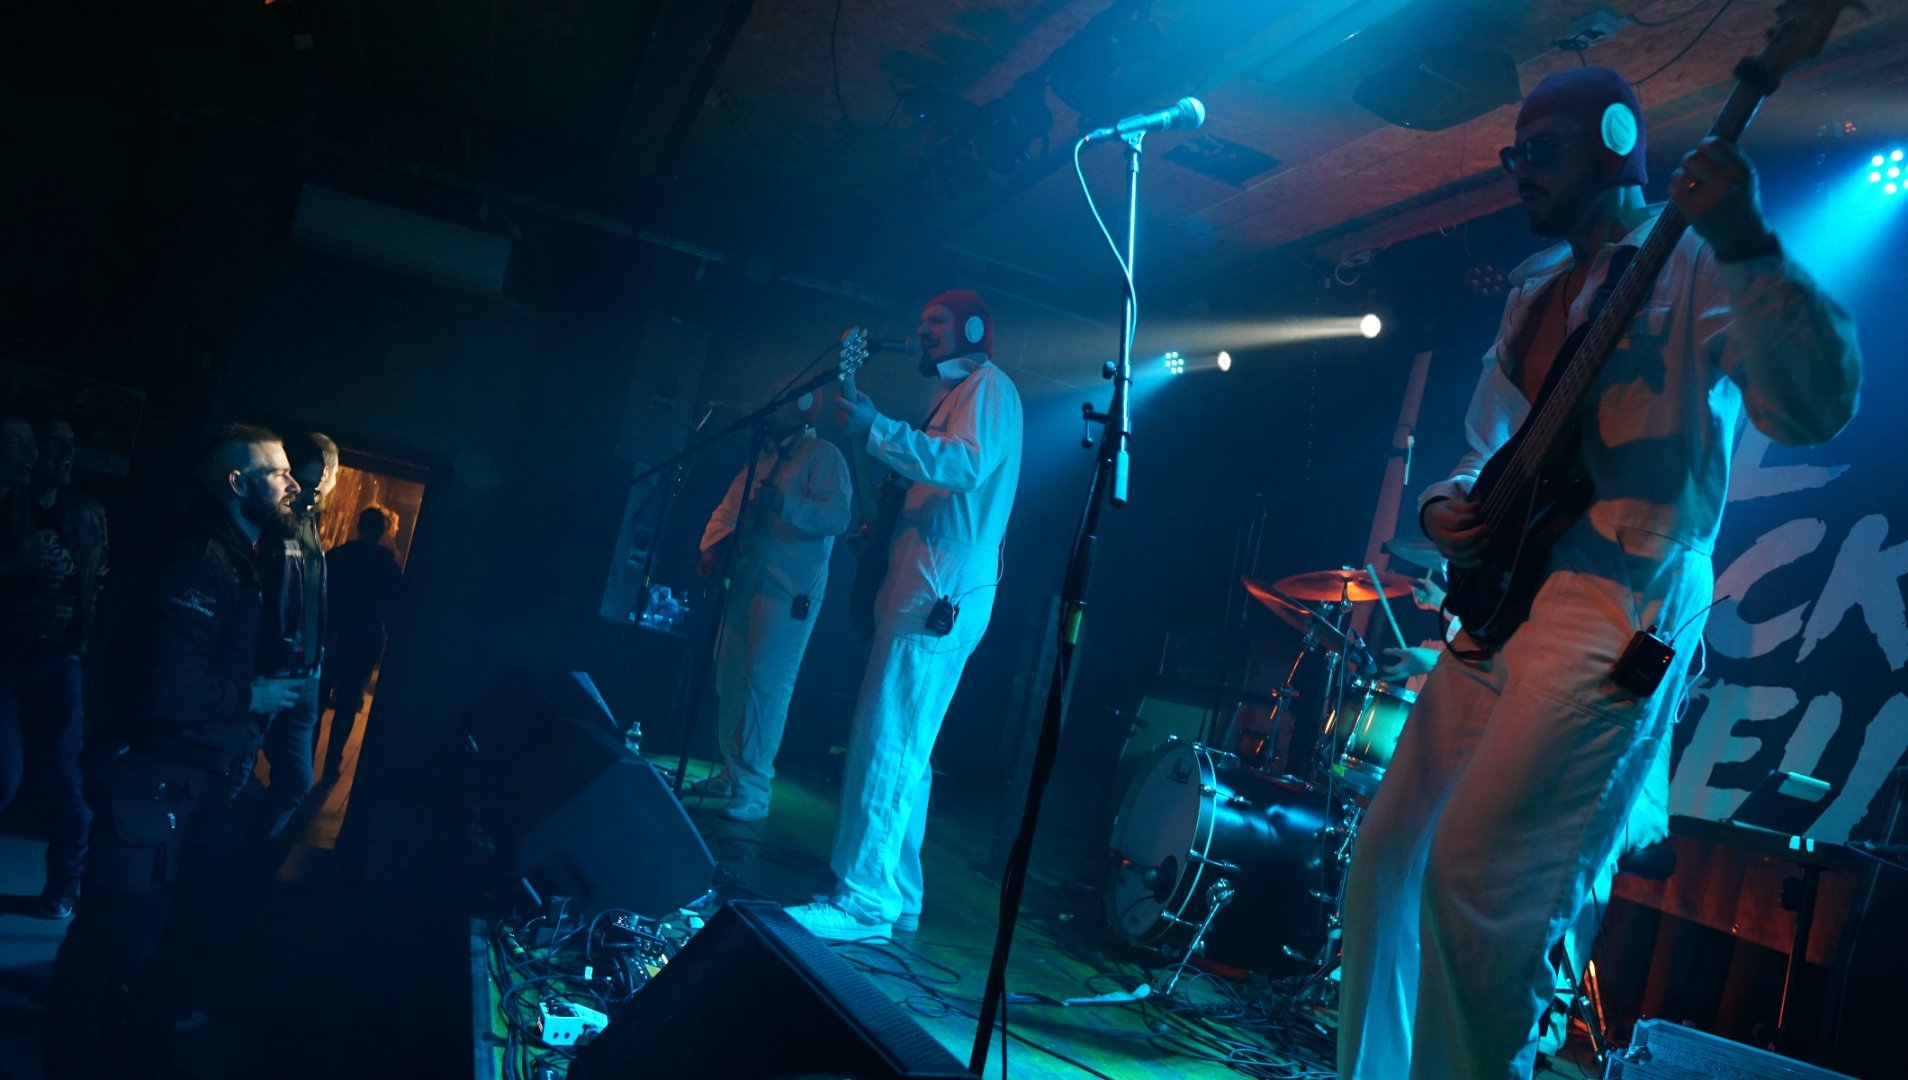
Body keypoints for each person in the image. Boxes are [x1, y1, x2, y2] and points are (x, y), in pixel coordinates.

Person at [1336, 67, 1861, 1080]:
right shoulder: (1534, 290)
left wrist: (1748, 242)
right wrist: (1445, 507)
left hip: (1623, 595)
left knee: (1483, 884)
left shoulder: (1699, 257)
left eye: (1545, 151)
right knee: (1387, 864)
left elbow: (1813, 407)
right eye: (1514, 154)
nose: (1521, 171)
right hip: (1506, 599)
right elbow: (1486, 449)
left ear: (1618, 143)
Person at [44, 424, 306, 1078]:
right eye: (278, 472)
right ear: (236, 483)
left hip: (199, 776)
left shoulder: (243, 555)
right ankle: (71, 1060)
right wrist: (252, 694)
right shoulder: (199, 559)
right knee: (112, 924)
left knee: (201, 912)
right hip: (155, 772)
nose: (293, 483)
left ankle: (133, 1036)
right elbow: (168, 686)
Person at [786, 289, 1023, 941]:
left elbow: (964, 466)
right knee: (905, 745)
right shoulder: (956, 394)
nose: (922, 331)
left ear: (973, 328)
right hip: (926, 582)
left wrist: (878, 430)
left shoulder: (989, 387)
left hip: (939, 589)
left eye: (936, 322)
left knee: (887, 737)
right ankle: (898, 889)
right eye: (920, 322)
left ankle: (863, 901)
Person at [688, 390, 852, 822]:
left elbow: (838, 517)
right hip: (747, 578)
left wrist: (785, 504)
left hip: (789, 589)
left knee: (766, 683)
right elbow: (727, 511)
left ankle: (754, 789)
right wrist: (711, 548)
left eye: (784, 399)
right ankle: (732, 773)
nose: (772, 407)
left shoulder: (823, 455)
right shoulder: (760, 460)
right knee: (729, 676)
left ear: (803, 406)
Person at [0, 411, 108, 918]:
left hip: (61, 658)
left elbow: (97, 582)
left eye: (71, 443)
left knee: (68, 779)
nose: (65, 455)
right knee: (7, 773)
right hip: (8, 657)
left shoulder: (86, 513)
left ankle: (64, 885)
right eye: (51, 444)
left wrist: (83, 634)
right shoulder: (7, 506)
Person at [248, 432, 334, 848]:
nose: (313, 490)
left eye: (320, 481)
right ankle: (222, 859)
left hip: (304, 672)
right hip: (271, 669)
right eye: (307, 480)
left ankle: (246, 856)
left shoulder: (308, 524)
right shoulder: (269, 526)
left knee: (297, 781)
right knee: (234, 771)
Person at [319, 504, 401, 781]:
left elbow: (321, 595)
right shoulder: (387, 568)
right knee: (347, 701)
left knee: (319, 699)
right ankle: (332, 761)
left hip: (333, 635)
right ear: (382, 532)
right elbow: (392, 610)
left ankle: (307, 755)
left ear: (358, 526)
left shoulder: (338, 556)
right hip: (364, 639)